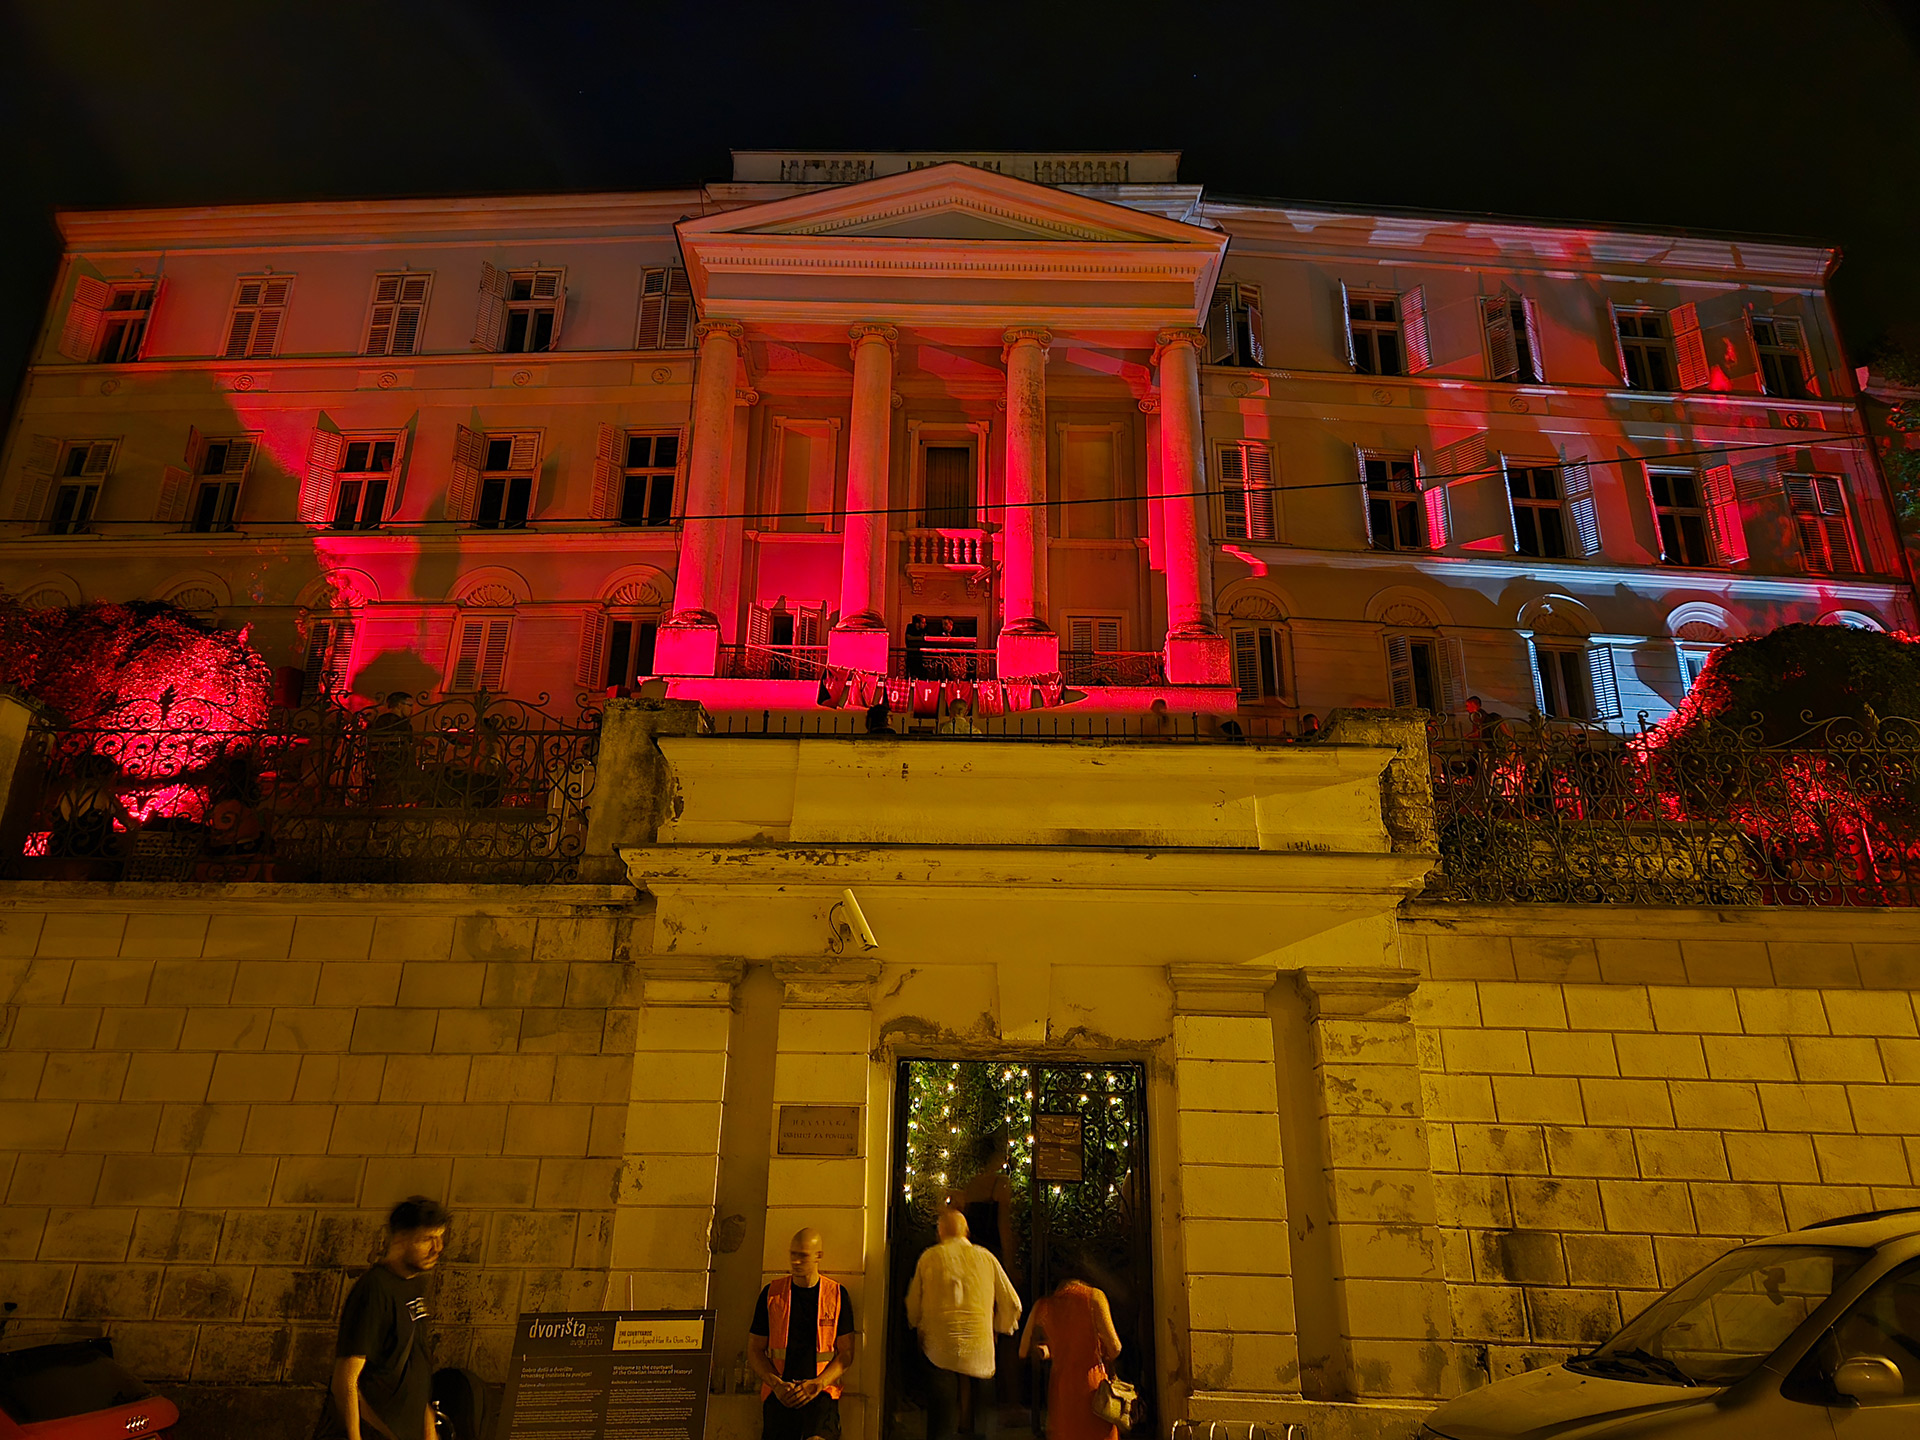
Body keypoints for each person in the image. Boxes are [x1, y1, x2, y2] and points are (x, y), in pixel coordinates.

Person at [322, 1195, 448, 1440]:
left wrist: (429, 1431)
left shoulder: (413, 1286)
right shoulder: (374, 1289)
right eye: (427, 1239)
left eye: (440, 1237)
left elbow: (415, 1367)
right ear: (400, 1239)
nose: (438, 1248)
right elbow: (346, 1379)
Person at [907, 1207, 1022, 1440]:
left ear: (940, 1232)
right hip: (980, 1350)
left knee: (941, 1422)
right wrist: (998, 1328)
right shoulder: (986, 1258)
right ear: (966, 1231)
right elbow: (1012, 1302)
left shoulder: (929, 1257)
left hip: (938, 1349)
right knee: (982, 1422)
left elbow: (913, 1304)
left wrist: (917, 1327)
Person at [748, 1227, 856, 1440]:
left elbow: (846, 1353)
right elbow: (754, 1349)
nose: (796, 1262)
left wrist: (818, 1384)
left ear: (818, 1256)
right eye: (793, 1254)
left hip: (820, 1395)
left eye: (803, 1256)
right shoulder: (772, 1294)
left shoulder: (836, 1295)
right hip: (780, 1394)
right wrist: (777, 1385)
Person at [1019, 1265, 1123, 1440]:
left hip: (1061, 1388)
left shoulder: (1043, 1305)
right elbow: (1115, 1347)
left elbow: (1023, 1350)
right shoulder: (1094, 1297)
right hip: (1092, 1386)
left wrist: (1051, 1350)